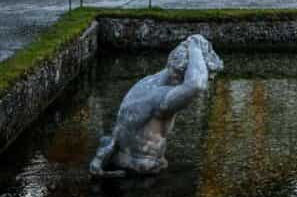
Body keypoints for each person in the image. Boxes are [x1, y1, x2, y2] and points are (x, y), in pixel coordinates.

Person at [89, 35, 222, 177]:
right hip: (140, 172)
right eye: (206, 75)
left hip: (123, 160)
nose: (206, 81)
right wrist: (195, 45)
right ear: (187, 73)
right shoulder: (160, 98)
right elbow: (196, 84)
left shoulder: (147, 83)